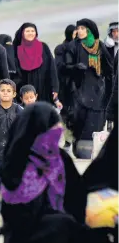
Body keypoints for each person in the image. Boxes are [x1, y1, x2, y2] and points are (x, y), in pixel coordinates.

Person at [0, 102, 114, 243]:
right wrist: (64, 223)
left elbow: (78, 198)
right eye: (52, 129)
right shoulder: (16, 164)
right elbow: (18, 219)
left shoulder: (60, 158)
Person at [64, 18, 113, 158]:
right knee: (79, 124)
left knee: (95, 124)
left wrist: (108, 89)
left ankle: (91, 154)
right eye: (78, 29)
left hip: (98, 92)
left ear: (90, 31)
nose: (79, 31)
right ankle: (80, 151)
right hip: (78, 91)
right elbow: (63, 69)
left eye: (82, 29)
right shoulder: (72, 47)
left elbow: (109, 70)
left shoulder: (100, 46)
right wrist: (75, 68)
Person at [12, 23, 60, 106]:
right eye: (27, 31)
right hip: (26, 90)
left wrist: (55, 87)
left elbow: (52, 68)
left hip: (44, 87)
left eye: (32, 31)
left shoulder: (43, 47)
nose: (30, 33)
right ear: (22, 33)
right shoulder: (16, 49)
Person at [54, 24, 77, 152]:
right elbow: (59, 66)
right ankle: (68, 141)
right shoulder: (61, 49)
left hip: (79, 87)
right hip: (64, 86)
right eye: (74, 34)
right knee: (65, 115)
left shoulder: (81, 48)